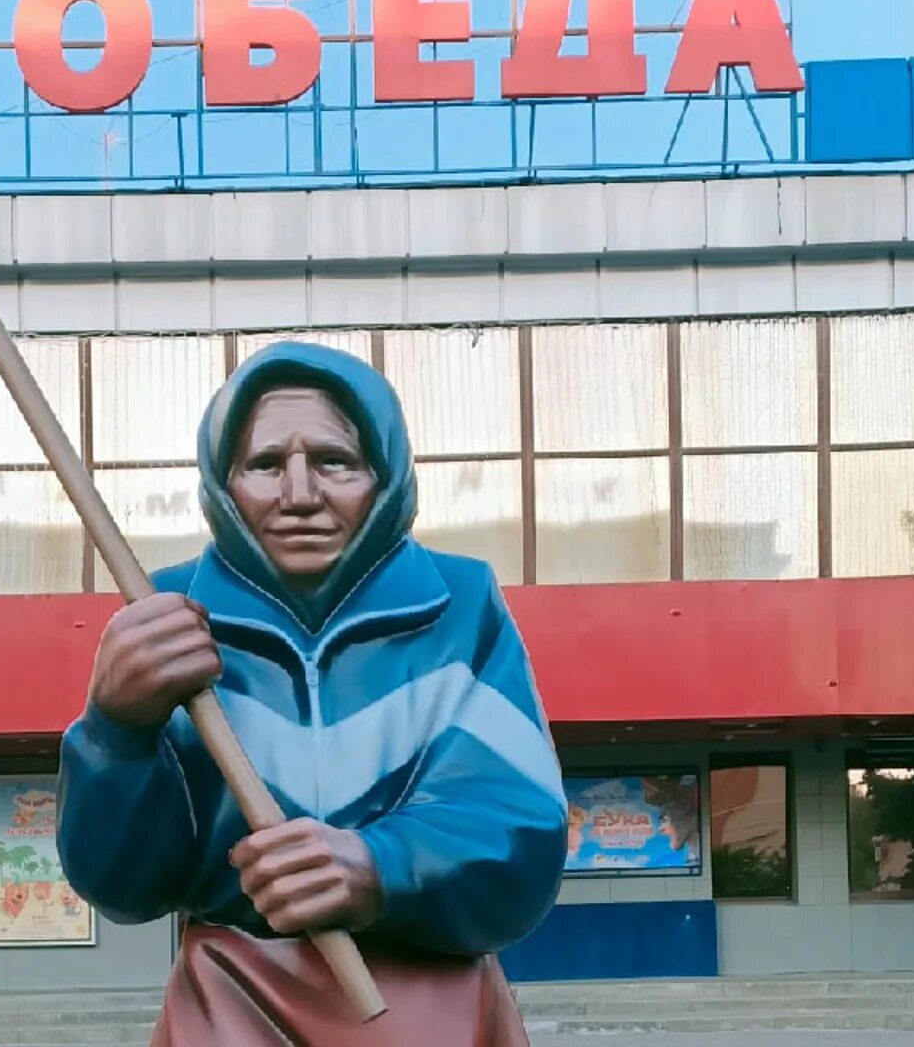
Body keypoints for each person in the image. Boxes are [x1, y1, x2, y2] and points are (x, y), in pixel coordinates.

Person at [57, 343, 567, 1045]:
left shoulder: (460, 607)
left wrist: (381, 864)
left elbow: (520, 828)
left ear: (384, 473)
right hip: (232, 1001)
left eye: (334, 461)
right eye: (266, 464)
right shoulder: (168, 616)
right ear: (222, 482)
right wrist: (116, 736)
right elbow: (121, 886)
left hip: (430, 1007)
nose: (300, 495)